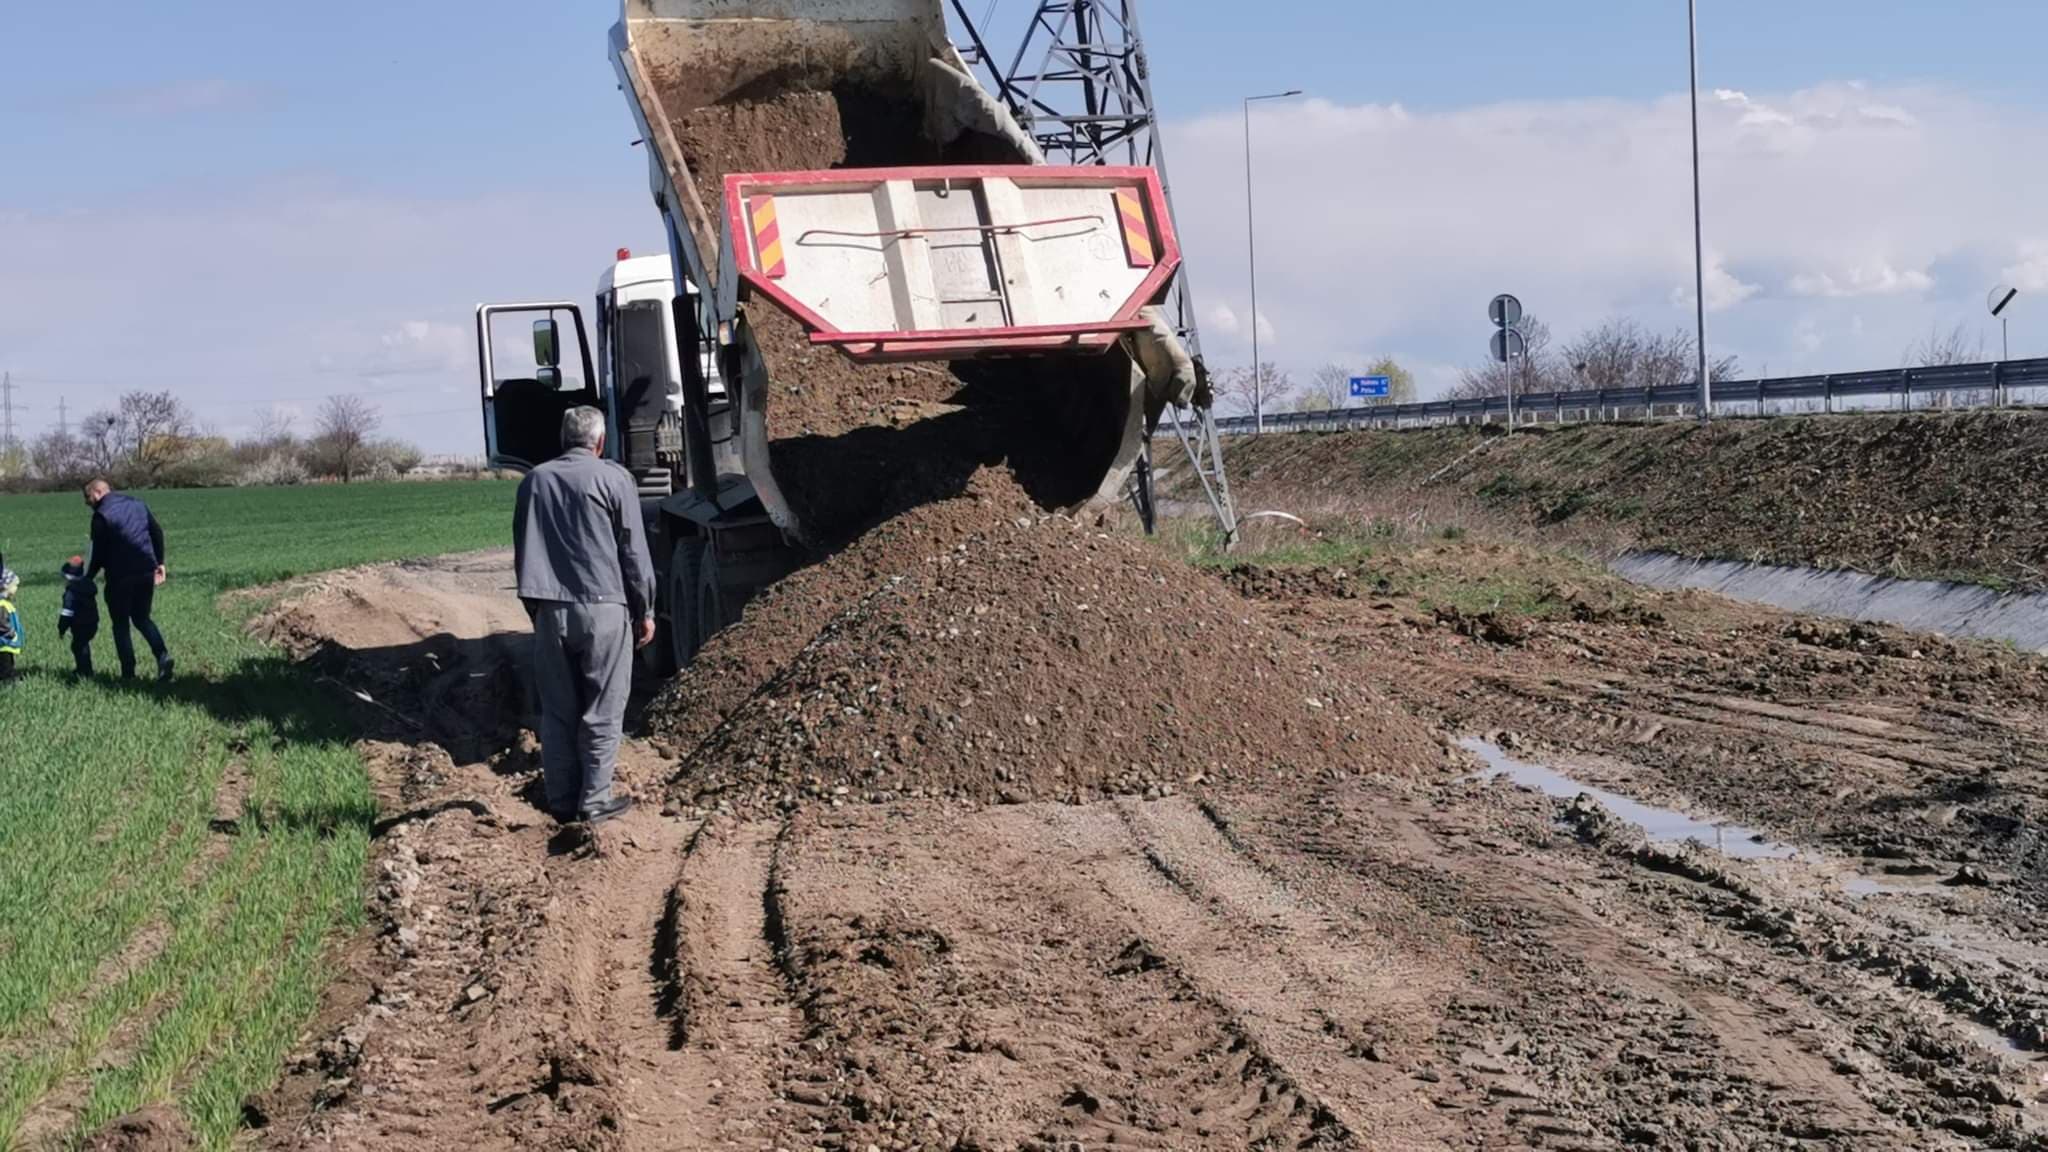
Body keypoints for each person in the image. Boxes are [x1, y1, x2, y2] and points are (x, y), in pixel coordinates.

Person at [513, 407, 656, 825]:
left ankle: (561, 799)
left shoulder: (533, 482)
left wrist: (537, 610)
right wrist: (644, 608)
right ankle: (594, 799)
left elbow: (523, 551)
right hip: (604, 608)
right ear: (600, 441)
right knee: (603, 707)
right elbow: (633, 551)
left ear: (564, 438)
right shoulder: (614, 479)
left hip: (549, 609)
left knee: (557, 711)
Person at [83, 479, 175, 682]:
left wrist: (87, 577)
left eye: (87, 497)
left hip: (119, 576)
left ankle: (128, 673)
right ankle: (163, 656)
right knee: (142, 618)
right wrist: (160, 563)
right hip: (144, 571)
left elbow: (98, 553)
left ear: (98, 493)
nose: (87, 503)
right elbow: (157, 532)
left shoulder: (101, 516)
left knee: (121, 625)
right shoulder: (138, 504)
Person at [58, 555, 100, 677]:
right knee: (83, 645)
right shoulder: (88, 587)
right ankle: (86, 669)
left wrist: (62, 628)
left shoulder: (71, 593)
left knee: (78, 647)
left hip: (79, 624)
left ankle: (84, 671)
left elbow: (67, 612)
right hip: (92, 622)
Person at [0, 559, 19, 683]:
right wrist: (10, 633)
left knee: (8, 661)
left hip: (6, 642)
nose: (16, 588)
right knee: (5, 663)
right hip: (4, 642)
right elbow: (2, 624)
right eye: (14, 586)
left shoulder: (5, 603)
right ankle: (8, 681)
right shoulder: (1, 605)